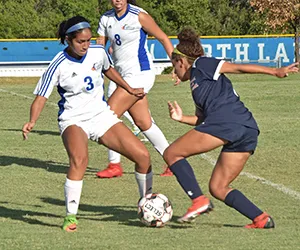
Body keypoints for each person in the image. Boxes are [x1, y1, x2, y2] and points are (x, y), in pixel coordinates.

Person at [22, 15, 154, 232]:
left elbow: (108, 69)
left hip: (101, 116)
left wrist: (129, 88)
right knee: (80, 159)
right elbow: (41, 97)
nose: (85, 45)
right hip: (73, 120)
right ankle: (70, 217)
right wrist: (32, 121)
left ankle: (146, 205)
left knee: (143, 156)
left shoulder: (98, 52)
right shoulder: (58, 64)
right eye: (80, 41)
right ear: (68, 40)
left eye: (88, 40)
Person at [163, 27, 299, 228]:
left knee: (172, 153)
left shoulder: (203, 64)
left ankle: (198, 200)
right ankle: (261, 218)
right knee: (218, 187)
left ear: (181, 61)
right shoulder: (197, 83)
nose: (174, 71)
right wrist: (182, 118)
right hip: (246, 128)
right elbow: (202, 120)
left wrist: (274, 71)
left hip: (228, 123)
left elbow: (237, 67)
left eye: (174, 65)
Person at [95, 0, 174, 178]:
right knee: (143, 122)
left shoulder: (139, 16)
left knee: (106, 117)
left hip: (140, 76)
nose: (118, 0)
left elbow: (163, 37)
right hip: (119, 76)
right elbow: (100, 47)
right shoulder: (105, 18)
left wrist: (176, 65)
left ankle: (117, 163)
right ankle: (173, 161)